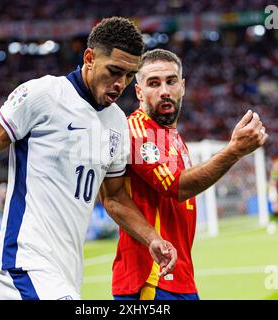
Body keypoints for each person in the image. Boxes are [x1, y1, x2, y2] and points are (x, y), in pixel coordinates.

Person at [0, 17, 177, 300]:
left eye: (127, 75)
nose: (120, 83)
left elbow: (113, 197)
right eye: (114, 71)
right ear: (89, 58)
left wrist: (153, 238)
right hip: (24, 262)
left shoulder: (116, 122)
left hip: (66, 272)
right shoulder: (43, 94)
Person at [112, 49, 268, 300]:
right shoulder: (138, 130)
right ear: (139, 92)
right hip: (151, 279)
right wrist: (234, 151)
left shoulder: (173, 138)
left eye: (171, 81)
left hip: (177, 276)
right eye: (154, 83)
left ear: (182, 87)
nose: (164, 90)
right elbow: (177, 187)